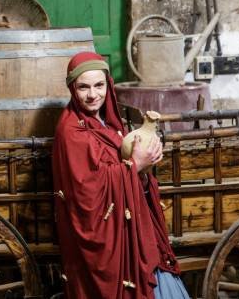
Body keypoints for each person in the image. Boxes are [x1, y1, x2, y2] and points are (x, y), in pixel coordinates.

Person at [52, 51, 189, 299]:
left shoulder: (109, 122)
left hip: (130, 222)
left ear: (108, 85)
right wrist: (135, 164)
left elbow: (121, 166)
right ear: (72, 88)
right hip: (105, 235)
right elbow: (87, 190)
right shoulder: (71, 131)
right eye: (83, 87)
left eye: (99, 85)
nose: (93, 94)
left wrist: (145, 166)